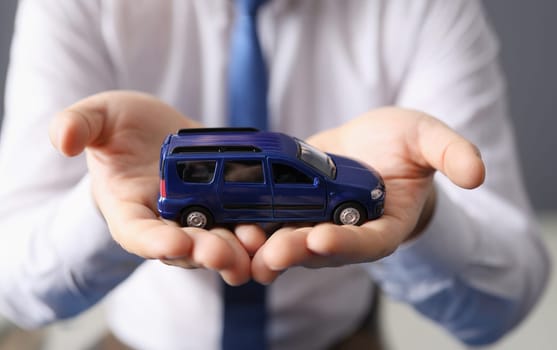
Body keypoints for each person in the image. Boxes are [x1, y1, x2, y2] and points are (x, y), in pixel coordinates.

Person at [0, 0, 550, 349]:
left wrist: (425, 215)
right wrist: (105, 200)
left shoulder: (427, 9)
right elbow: (10, 283)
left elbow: (503, 303)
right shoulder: (73, 7)